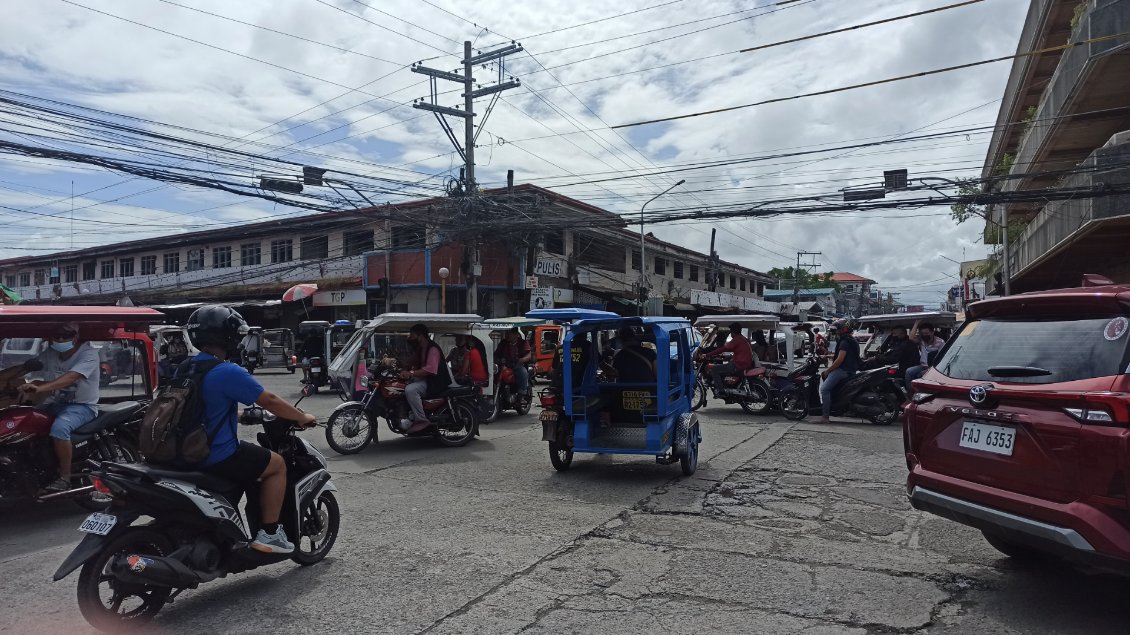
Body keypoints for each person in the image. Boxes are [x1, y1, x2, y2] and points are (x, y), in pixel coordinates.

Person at [184, 305, 316, 554]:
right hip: (215, 454)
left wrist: (241, 415)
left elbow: (199, 410)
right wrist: (301, 417)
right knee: (276, 464)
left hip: (183, 452)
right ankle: (269, 533)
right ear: (229, 337)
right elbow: (271, 401)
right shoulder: (226, 370)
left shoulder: (186, 368)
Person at [3, 323, 100, 493]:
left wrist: (40, 388)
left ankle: (65, 477)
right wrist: (6, 376)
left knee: (59, 428)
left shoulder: (88, 354)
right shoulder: (51, 353)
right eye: (57, 336)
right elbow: (26, 367)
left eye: (66, 335)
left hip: (82, 406)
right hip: (55, 404)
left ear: (75, 337)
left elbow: (70, 378)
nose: (61, 339)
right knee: (26, 420)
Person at [400, 323, 453, 432]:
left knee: (410, 390)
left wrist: (410, 373)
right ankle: (409, 414)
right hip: (427, 380)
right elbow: (412, 361)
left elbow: (430, 370)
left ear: (421, 336)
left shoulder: (432, 349)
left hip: (435, 382)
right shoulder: (421, 348)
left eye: (412, 335)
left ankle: (421, 419)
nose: (410, 337)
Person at [818, 318, 860, 425]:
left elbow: (840, 360)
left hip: (843, 370)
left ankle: (825, 416)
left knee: (824, 389)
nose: (836, 333)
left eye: (837, 330)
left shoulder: (845, 342)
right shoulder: (852, 340)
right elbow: (846, 356)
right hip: (851, 370)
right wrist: (828, 355)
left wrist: (827, 370)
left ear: (843, 330)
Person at [707, 323, 758, 397]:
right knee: (725, 366)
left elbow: (723, 349)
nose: (730, 334)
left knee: (714, 369)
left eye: (730, 332)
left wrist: (708, 354)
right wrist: (727, 357)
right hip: (746, 364)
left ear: (733, 332)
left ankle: (721, 391)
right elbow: (740, 352)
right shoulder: (744, 339)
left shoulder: (736, 339)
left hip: (738, 365)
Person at [904, 320, 947, 390]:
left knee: (921, 375)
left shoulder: (940, 342)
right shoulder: (921, 340)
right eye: (922, 333)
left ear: (932, 332)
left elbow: (942, 358)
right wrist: (916, 323)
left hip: (934, 367)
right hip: (923, 365)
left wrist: (930, 369)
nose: (924, 335)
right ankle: (910, 392)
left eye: (926, 333)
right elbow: (911, 338)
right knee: (909, 371)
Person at [495, 327, 532, 396]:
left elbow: (529, 355)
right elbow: (496, 354)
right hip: (505, 365)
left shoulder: (523, 342)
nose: (507, 335)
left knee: (522, 372)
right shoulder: (503, 343)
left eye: (509, 333)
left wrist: (523, 359)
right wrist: (499, 360)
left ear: (516, 334)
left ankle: (522, 394)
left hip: (517, 364)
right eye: (507, 333)